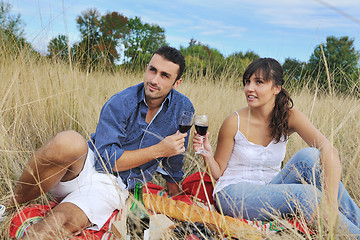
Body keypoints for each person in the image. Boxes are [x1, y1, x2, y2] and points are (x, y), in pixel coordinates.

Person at [2, 46, 194, 239]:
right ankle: (8, 205)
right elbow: (107, 159)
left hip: (113, 186)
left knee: (51, 227)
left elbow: (174, 156)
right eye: (152, 70)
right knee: (69, 141)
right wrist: (158, 150)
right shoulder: (122, 101)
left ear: (177, 83)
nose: (154, 80)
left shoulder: (183, 108)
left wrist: (175, 193)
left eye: (164, 75)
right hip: (85, 165)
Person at [193, 57, 360, 237]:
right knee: (306, 194)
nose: (249, 88)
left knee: (311, 155)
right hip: (234, 194)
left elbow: (329, 150)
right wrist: (207, 155)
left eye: (259, 82)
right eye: (247, 82)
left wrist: (331, 203)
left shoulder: (289, 116)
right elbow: (217, 173)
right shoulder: (234, 121)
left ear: (276, 88)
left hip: (272, 186)